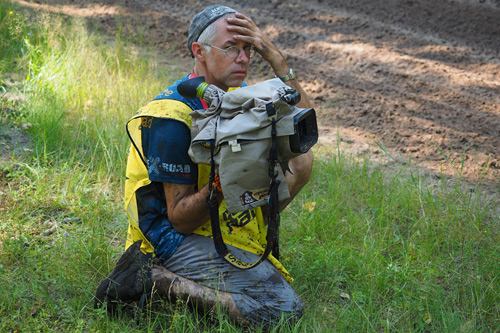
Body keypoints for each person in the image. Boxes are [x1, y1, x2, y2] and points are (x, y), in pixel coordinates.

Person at [122, 4, 313, 328]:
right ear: (199, 51)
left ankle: (243, 257)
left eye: (248, 49)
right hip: (168, 237)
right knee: (284, 311)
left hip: (221, 220)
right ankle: (156, 279)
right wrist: (224, 182)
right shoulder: (170, 115)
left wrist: (273, 56)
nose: (244, 58)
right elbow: (179, 219)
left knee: (301, 157)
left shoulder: (236, 96)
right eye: (231, 48)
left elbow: (306, 124)